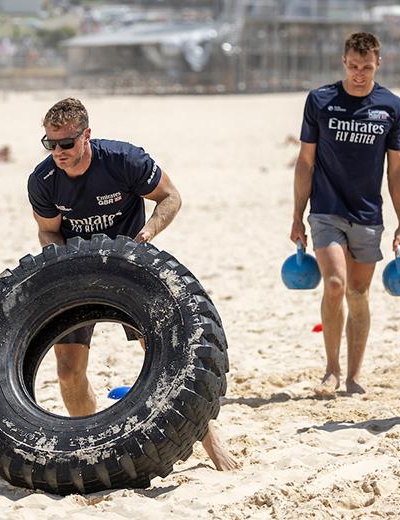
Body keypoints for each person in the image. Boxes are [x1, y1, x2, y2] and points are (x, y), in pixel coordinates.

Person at [27, 97, 240, 471]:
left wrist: (148, 233)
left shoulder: (124, 161)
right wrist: (65, 261)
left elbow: (171, 197)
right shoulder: (43, 181)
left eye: (66, 144)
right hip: (79, 275)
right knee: (67, 370)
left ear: (86, 135)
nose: (58, 152)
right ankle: (88, 442)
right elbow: (48, 233)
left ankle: (211, 443)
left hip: (131, 270)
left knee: (166, 360)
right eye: (50, 144)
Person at [290, 32, 400, 397]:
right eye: (354, 66)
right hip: (326, 210)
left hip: (369, 214)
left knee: (358, 293)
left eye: (367, 67)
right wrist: (297, 215)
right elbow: (306, 162)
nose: (360, 73)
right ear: (344, 62)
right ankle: (331, 370)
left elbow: (398, 169)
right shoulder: (321, 100)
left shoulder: (391, 105)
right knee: (336, 285)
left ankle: (355, 375)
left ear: (378, 64)